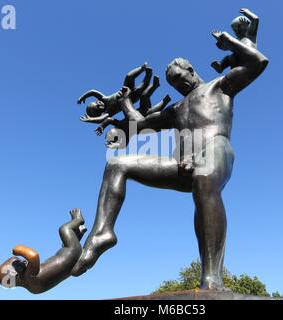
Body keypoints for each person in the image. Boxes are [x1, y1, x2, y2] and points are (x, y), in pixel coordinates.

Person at [71, 15, 269, 290]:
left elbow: (258, 61)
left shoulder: (220, 86)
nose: (179, 85)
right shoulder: (175, 109)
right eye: (173, 84)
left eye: (180, 78)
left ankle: (211, 277)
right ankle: (103, 233)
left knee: (204, 179)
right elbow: (140, 125)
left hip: (216, 151)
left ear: (191, 70)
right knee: (117, 165)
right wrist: (126, 101)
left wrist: (230, 43)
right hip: (182, 164)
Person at [0, 209, 86, 294]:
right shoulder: (29, 277)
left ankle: (77, 233)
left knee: (63, 246)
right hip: (72, 252)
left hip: (72, 266)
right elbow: (33, 256)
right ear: (15, 274)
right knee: (63, 229)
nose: (23, 261)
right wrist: (19, 250)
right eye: (18, 264)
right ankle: (78, 220)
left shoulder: (32, 288)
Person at [211, 8, 259, 74]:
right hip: (240, 60)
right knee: (230, 57)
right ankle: (221, 66)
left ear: (247, 24)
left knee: (233, 55)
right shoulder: (238, 40)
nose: (237, 30)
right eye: (235, 29)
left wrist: (247, 13)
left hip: (249, 54)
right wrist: (219, 39)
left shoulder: (250, 34)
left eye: (239, 26)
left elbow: (255, 19)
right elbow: (226, 47)